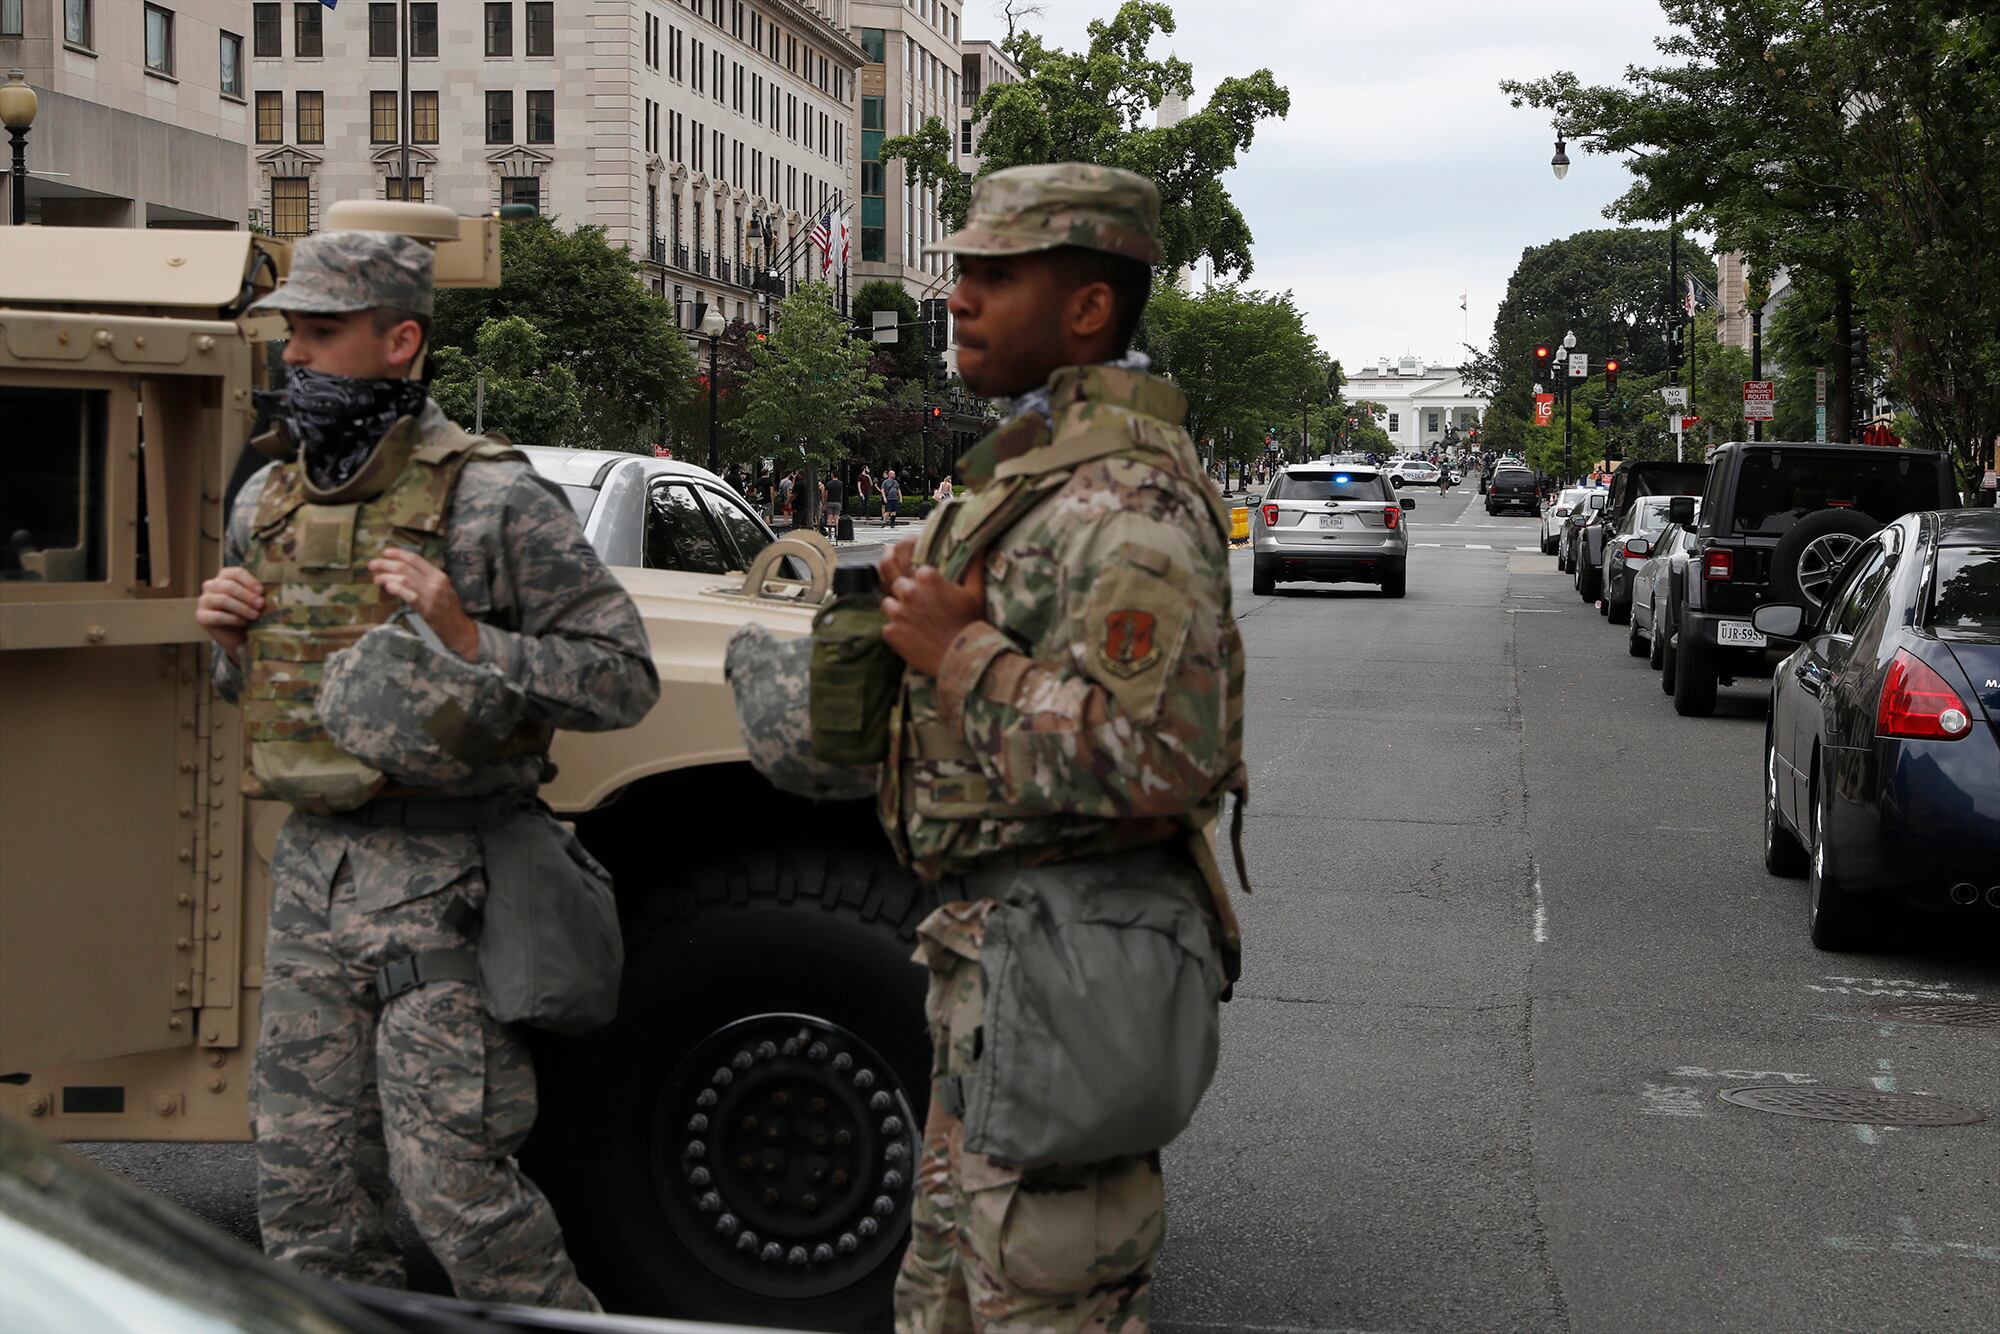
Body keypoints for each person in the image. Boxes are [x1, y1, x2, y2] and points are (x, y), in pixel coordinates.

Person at [193, 230, 658, 1310]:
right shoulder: (266, 501)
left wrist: (466, 637)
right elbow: (265, 692)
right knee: (307, 1201)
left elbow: (618, 676)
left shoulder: (492, 499)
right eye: (289, 331)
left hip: (445, 879)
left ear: (400, 341)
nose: (295, 355)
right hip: (313, 874)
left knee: (458, 1192)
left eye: (321, 331)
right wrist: (226, 647)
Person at [873, 163, 1245, 1333]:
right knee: (942, 1302)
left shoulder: (1122, 503)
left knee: (1045, 1303)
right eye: (960, 270)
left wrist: (956, 653)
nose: (956, 297)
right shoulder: (1037, 481)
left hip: (1070, 970)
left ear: (1088, 307)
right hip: (998, 966)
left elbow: (1166, 757)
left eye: (994, 274)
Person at [824, 470, 845, 540]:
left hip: (830, 502)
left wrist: (825, 503)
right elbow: (841, 494)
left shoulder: (828, 484)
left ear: (833, 475)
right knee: (836, 518)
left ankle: (830, 534)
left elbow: (826, 494)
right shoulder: (840, 483)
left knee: (829, 518)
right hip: (837, 502)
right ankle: (836, 533)